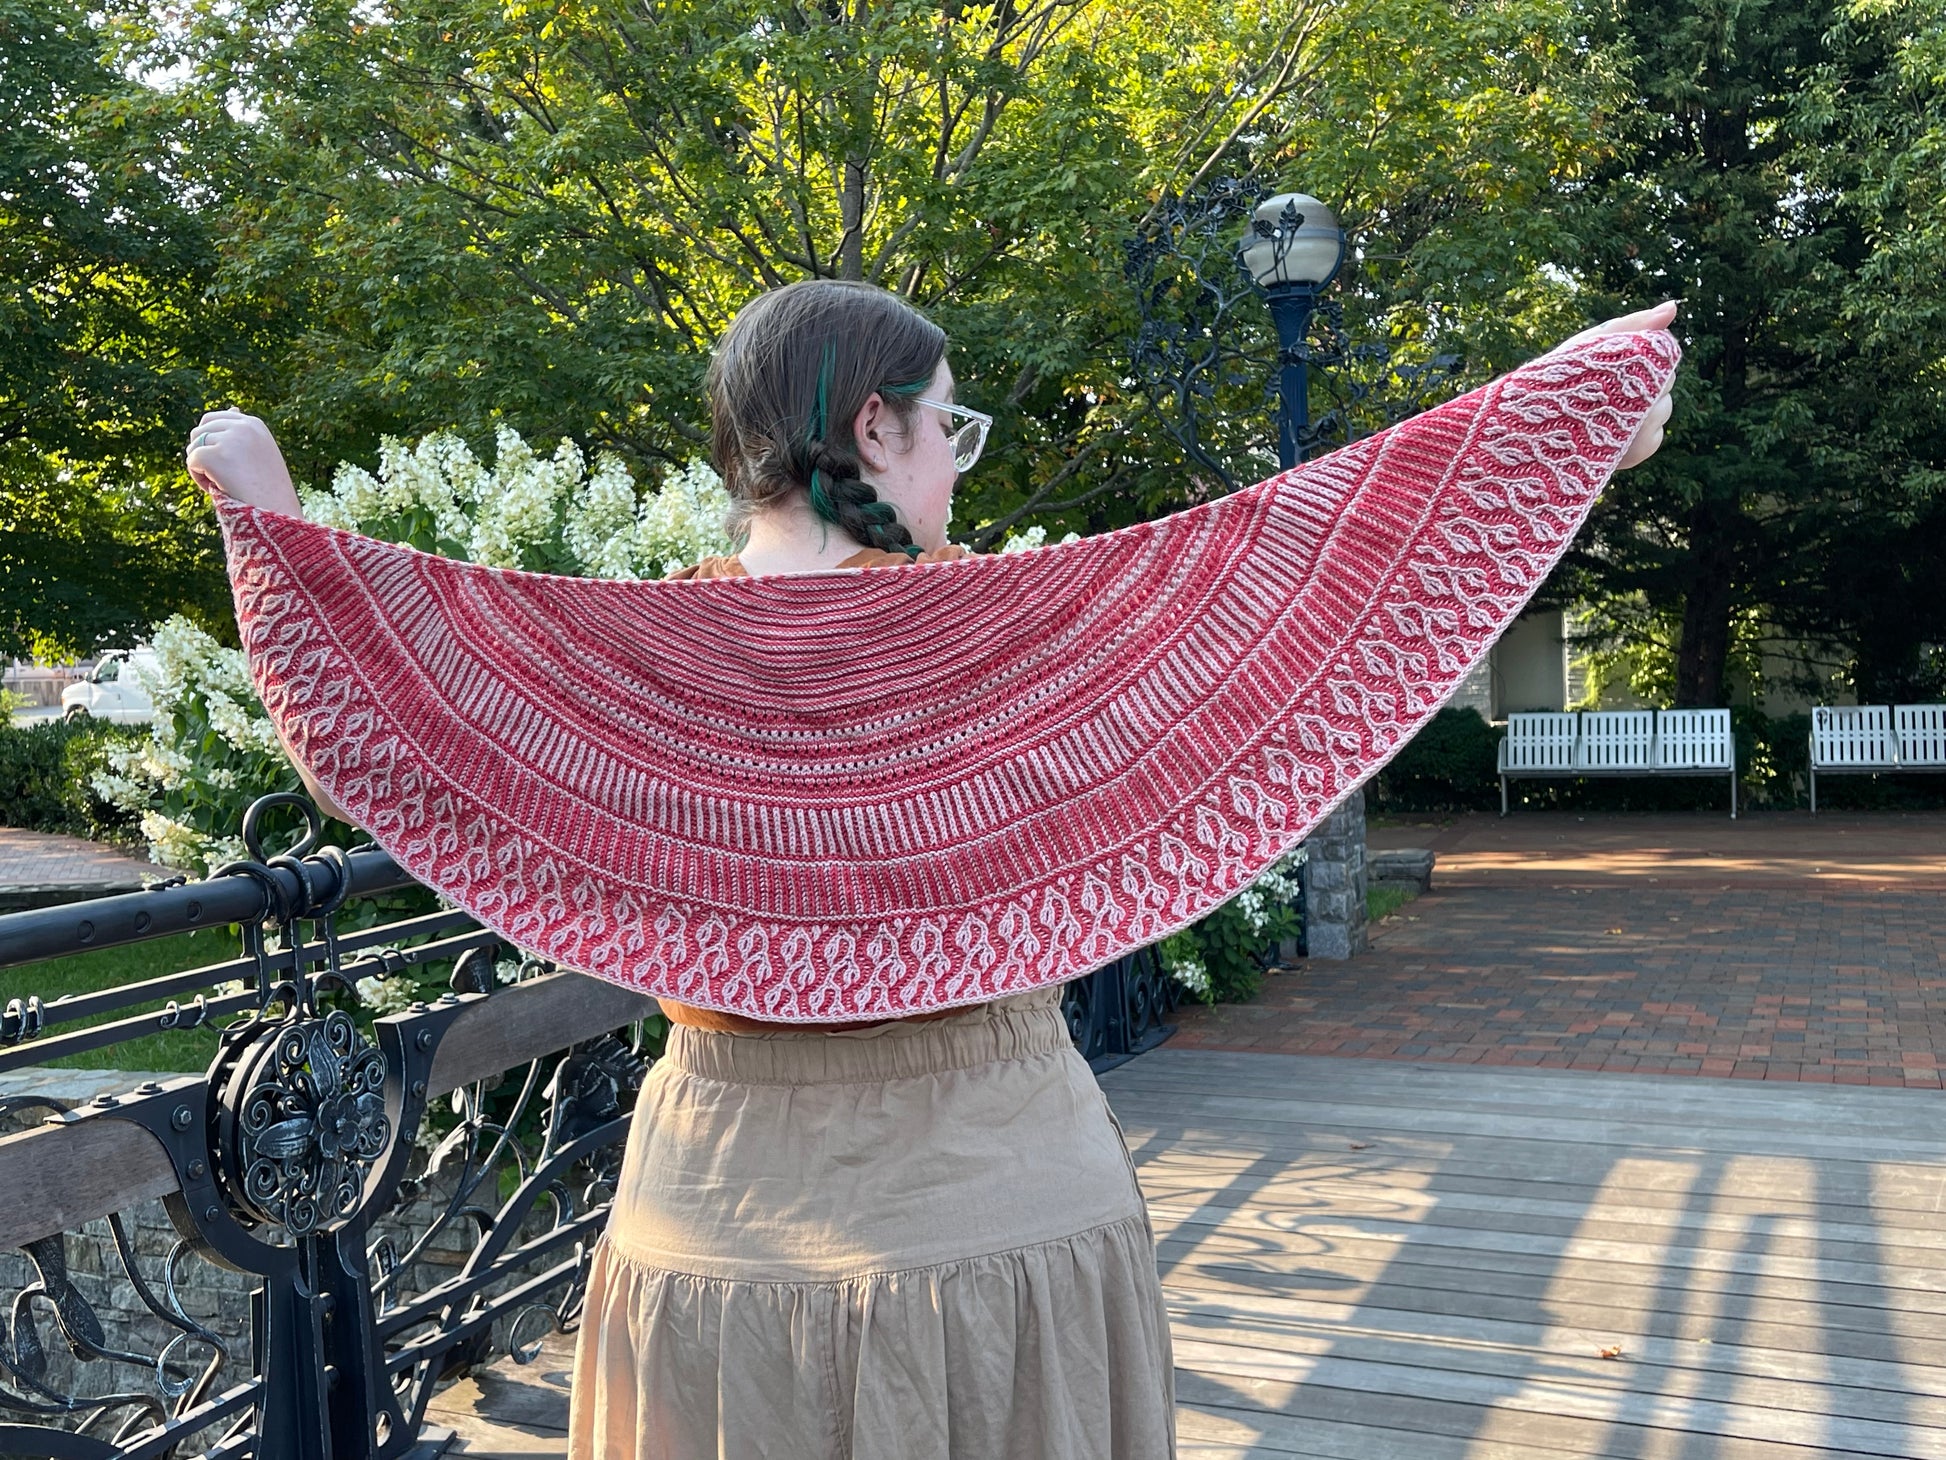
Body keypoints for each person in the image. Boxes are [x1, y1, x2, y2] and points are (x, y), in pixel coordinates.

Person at [186, 283, 1677, 1459]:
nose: (959, 471)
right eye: (949, 432)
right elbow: (1318, 575)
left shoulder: (627, 668)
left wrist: (267, 516)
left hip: (719, 1220)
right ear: (877, 427)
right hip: (1004, 1210)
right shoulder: (1030, 645)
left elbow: (383, 741)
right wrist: (1564, 439)